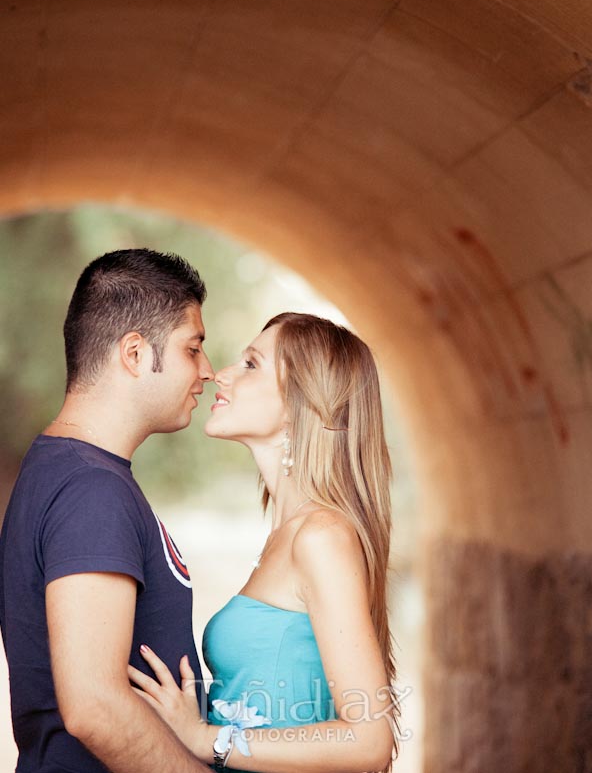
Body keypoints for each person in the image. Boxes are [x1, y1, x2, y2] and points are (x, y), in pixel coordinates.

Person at [128, 312, 401, 773]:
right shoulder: (287, 535)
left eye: (251, 364)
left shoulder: (321, 536)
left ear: (303, 403)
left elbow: (370, 738)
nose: (220, 374)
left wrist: (203, 738)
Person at [0, 248, 215, 773]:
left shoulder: (68, 470)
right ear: (135, 354)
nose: (207, 371)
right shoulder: (91, 490)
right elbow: (94, 705)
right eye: (193, 348)